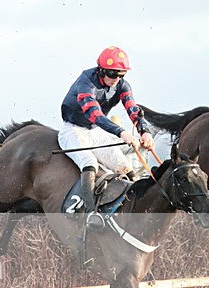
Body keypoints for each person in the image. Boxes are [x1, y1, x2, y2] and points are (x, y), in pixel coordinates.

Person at [58, 46, 154, 229]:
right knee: (89, 163)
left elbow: (133, 109)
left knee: (125, 167)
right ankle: (90, 213)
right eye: (112, 74)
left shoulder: (122, 85)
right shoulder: (86, 82)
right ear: (101, 70)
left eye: (121, 75)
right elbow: (95, 114)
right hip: (73, 130)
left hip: (95, 132)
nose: (116, 79)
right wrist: (122, 133)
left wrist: (145, 131)